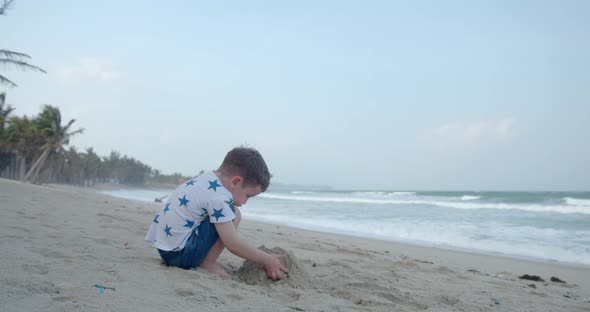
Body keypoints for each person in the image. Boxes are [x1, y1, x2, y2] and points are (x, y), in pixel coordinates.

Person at [145, 147, 288, 280]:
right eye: (248, 195)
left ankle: (205, 260)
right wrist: (266, 259)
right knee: (234, 214)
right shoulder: (218, 198)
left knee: (226, 213)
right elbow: (232, 244)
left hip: (165, 249)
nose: (245, 202)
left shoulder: (205, 179)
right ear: (236, 182)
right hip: (181, 256)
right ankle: (208, 263)